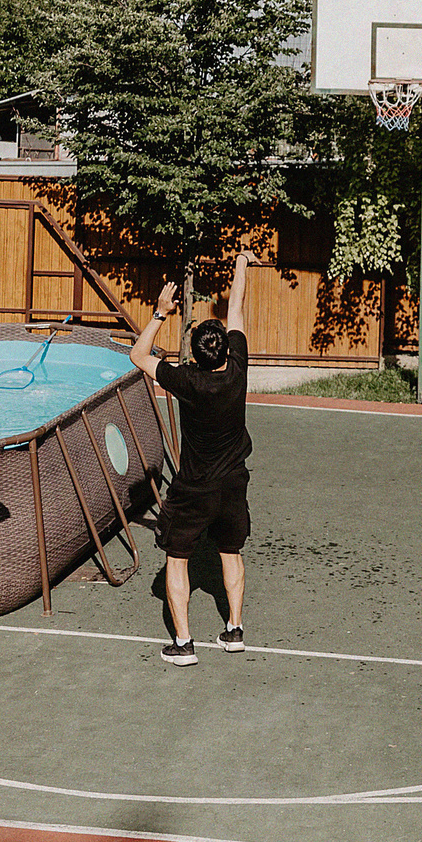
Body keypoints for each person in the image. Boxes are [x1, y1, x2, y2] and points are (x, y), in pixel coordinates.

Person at [128, 249, 253, 666]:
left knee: (176, 559)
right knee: (231, 553)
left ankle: (184, 644)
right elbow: (235, 305)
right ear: (225, 351)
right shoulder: (238, 369)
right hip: (233, 483)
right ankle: (234, 630)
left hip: (194, 488)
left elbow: (138, 356)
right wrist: (240, 264)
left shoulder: (185, 379)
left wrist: (161, 313)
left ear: (196, 355)